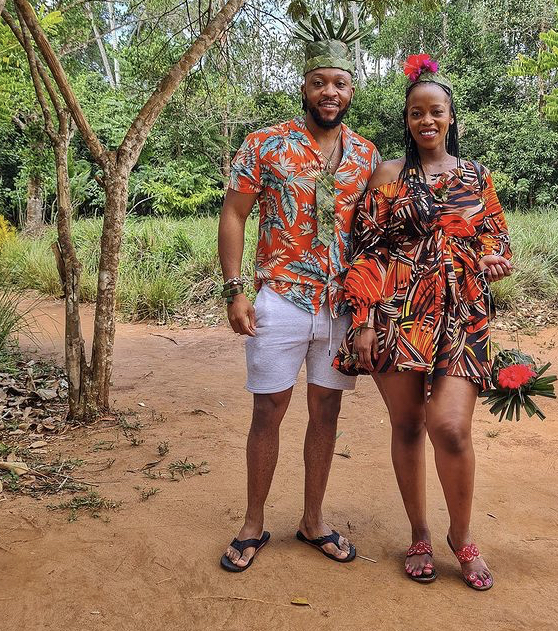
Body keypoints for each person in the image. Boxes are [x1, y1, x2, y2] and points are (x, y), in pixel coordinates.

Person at [334, 54, 512, 590]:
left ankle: (462, 536)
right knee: (408, 425)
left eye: (436, 111)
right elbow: (365, 249)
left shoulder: (476, 176)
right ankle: (419, 533)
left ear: (451, 117)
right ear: (407, 120)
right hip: (398, 312)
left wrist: (494, 259)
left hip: (461, 313)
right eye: (417, 113)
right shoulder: (388, 175)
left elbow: (496, 238)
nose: (427, 120)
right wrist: (364, 318)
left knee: (451, 429)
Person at [218, 16, 379, 572]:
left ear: (351, 90)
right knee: (268, 409)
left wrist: (369, 310)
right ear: (304, 87)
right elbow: (234, 215)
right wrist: (235, 290)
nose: (330, 92)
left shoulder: (367, 156)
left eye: (340, 83)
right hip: (280, 298)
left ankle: (313, 521)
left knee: (326, 410)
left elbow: (374, 235)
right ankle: (252, 523)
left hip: (340, 306)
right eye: (319, 82)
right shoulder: (265, 144)